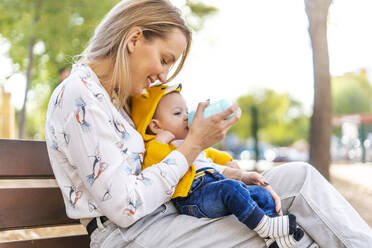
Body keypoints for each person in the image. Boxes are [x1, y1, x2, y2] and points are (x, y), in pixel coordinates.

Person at [44, 0, 372, 247]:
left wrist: (231, 171)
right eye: (165, 59)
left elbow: (159, 161)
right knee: (292, 233)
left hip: (171, 217)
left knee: (298, 178)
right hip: (132, 235)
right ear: (134, 39)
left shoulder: (116, 101)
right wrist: (192, 145)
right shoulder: (80, 96)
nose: (163, 75)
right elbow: (126, 208)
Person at [131, 84, 304, 248]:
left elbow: (214, 156)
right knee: (231, 188)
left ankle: (273, 238)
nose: (186, 116)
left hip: (214, 186)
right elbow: (153, 167)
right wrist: (160, 140)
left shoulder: (191, 142)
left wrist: (231, 165)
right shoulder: (159, 146)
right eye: (177, 113)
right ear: (155, 125)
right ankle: (265, 226)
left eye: (186, 111)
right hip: (193, 199)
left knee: (260, 192)